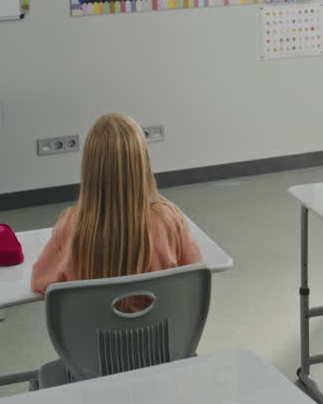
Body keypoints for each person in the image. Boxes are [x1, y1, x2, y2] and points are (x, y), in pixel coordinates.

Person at [31, 113, 202, 304]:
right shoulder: (169, 220)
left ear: (89, 168)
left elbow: (41, 283)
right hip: (159, 332)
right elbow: (195, 275)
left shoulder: (71, 225)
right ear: (143, 164)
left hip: (91, 334)